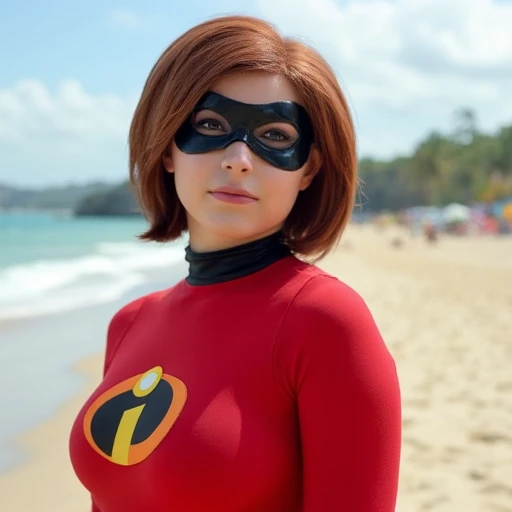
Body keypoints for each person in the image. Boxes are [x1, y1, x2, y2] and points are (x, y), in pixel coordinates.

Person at [69, 15, 401, 512]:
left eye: (274, 134)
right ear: (167, 148)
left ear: (308, 168)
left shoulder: (326, 322)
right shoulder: (129, 323)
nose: (239, 158)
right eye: (210, 126)